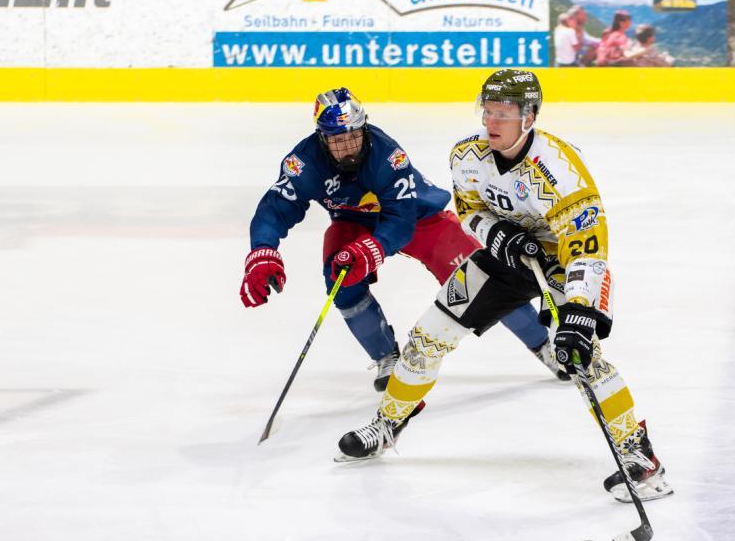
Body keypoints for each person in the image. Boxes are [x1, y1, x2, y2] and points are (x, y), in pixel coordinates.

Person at [336, 70, 672, 504]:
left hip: (564, 265)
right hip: (505, 260)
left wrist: (578, 311)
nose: (491, 122)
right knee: (427, 339)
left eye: (503, 114)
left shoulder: (560, 168)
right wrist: (498, 235)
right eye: (488, 111)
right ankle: (387, 424)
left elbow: (587, 248)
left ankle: (639, 456)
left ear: (529, 116)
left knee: (583, 356)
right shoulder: (467, 155)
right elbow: (470, 210)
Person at [240, 87, 567, 390]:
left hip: (419, 218)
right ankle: (386, 357)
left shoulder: (387, 155)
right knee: (339, 276)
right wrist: (263, 250)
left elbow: (400, 220)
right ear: (321, 138)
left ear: (364, 127)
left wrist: (373, 248)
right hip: (353, 222)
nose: (348, 146)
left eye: (354, 135)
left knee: (483, 281)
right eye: (337, 139)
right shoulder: (303, 162)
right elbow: (276, 207)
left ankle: (544, 344)